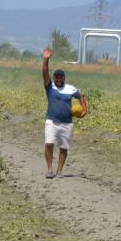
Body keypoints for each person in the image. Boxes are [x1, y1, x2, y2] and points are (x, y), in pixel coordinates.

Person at [41, 47, 87, 179]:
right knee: (49, 144)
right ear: (54, 78)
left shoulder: (70, 88)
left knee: (63, 147)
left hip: (67, 123)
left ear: (64, 78)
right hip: (51, 121)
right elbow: (44, 72)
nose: (59, 79)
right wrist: (46, 59)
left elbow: (81, 97)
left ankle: (59, 171)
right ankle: (50, 169)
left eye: (61, 77)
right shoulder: (50, 86)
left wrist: (84, 110)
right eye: (57, 77)